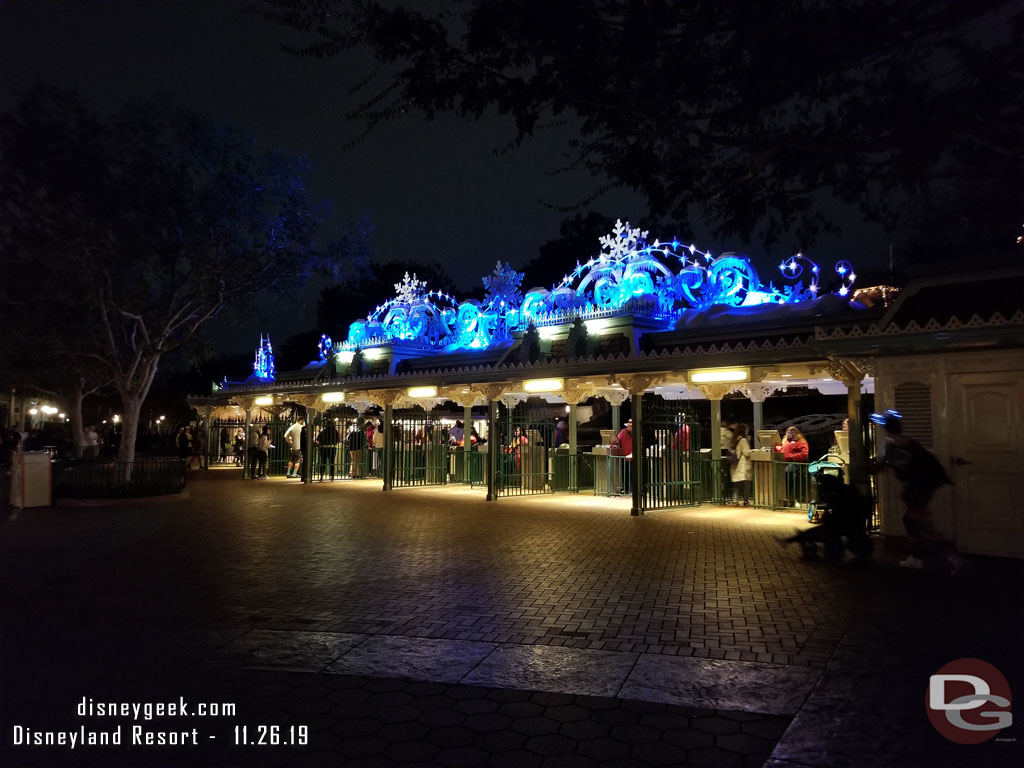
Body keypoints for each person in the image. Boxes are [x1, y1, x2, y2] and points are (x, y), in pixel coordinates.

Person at [870, 410, 961, 573]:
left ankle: (942, 553)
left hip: (920, 484)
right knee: (916, 520)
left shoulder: (895, 443)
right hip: (925, 483)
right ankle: (924, 554)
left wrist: (865, 470)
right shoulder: (906, 441)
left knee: (914, 521)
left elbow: (885, 464)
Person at [777, 474, 873, 562]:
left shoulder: (840, 495)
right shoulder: (845, 492)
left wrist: (829, 520)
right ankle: (792, 541)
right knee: (813, 534)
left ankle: (793, 542)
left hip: (843, 527)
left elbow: (838, 518)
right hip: (847, 527)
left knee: (811, 534)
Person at [781, 426, 809, 506]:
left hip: (795, 463)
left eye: (792, 432)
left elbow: (804, 454)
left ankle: (792, 498)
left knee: (788, 472)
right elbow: (783, 450)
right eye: (788, 432)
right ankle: (786, 497)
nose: (790, 433)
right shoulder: (785, 441)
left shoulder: (801, 442)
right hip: (784, 463)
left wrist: (792, 456)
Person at [730, 423, 753, 506]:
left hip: (734, 463)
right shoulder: (743, 440)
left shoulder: (734, 439)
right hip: (742, 464)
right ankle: (746, 501)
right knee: (746, 483)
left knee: (736, 483)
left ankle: (735, 500)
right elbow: (746, 452)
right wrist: (753, 451)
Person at [611, 418, 633, 493]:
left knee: (632, 475)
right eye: (629, 426)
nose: (629, 427)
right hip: (624, 457)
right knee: (625, 475)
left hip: (634, 458)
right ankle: (627, 490)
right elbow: (616, 441)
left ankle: (633, 490)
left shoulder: (638, 432)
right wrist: (613, 447)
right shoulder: (623, 431)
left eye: (631, 426)